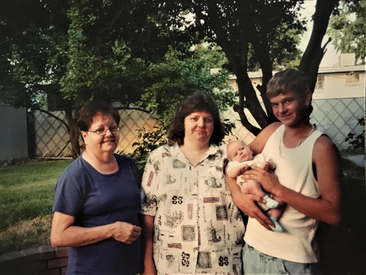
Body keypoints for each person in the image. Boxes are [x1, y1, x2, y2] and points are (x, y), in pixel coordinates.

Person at [227, 69, 342, 275]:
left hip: (292, 261)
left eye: (288, 101)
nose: (281, 110)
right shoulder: (272, 131)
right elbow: (232, 166)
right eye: (275, 104)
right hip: (252, 250)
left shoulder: (321, 147)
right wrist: (237, 195)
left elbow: (333, 214)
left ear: (306, 97)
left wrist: (277, 189)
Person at [140, 93, 245, 275]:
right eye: (194, 118)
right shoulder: (160, 158)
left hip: (221, 265)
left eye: (208, 119)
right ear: (183, 122)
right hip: (170, 265)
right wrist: (147, 262)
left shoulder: (227, 159)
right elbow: (147, 213)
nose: (201, 124)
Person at [50, 101, 142, 275]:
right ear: (84, 135)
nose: (109, 134)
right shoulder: (75, 176)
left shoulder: (129, 166)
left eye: (113, 128)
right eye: (100, 130)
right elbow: (58, 236)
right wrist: (111, 230)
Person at [226, 140, 285, 233]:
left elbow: (273, 164)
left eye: (242, 148)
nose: (240, 152)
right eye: (235, 154)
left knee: (281, 198)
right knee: (252, 184)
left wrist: (268, 165)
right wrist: (239, 169)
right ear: (232, 161)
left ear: (250, 149)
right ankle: (265, 199)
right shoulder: (236, 165)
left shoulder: (260, 158)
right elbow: (231, 174)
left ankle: (274, 219)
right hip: (251, 192)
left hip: (268, 191)